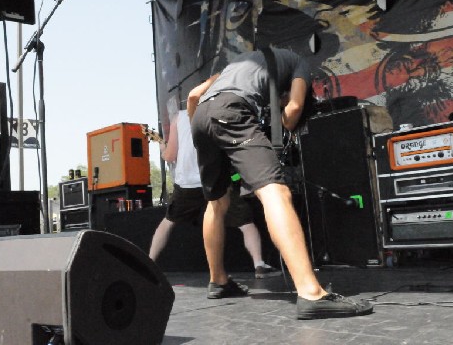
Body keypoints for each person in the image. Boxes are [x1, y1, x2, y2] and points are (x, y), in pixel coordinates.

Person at [187, 47, 373, 319]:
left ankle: (218, 281)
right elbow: (294, 109)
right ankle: (311, 293)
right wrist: (282, 120)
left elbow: (193, 95)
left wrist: (203, 129)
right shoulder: (298, 62)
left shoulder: (232, 68)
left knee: (217, 203)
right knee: (276, 192)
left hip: (201, 117)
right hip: (232, 111)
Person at [149, 108, 279, 279]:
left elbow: (170, 155)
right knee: (246, 223)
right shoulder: (218, 110)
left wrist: (161, 146)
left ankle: (149, 263)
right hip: (215, 179)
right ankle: (259, 265)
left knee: (168, 222)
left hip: (188, 184)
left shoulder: (178, 118)